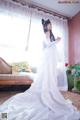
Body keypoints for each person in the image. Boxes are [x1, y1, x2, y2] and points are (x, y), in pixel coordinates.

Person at [0, 19, 80, 120]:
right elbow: (47, 45)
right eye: (48, 25)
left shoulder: (50, 33)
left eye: (50, 24)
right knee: (47, 77)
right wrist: (57, 41)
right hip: (48, 59)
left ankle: (50, 93)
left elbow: (50, 47)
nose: (50, 26)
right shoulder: (47, 33)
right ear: (46, 26)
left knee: (50, 77)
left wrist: (55, 42)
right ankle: (46, 94)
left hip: (50, 59)